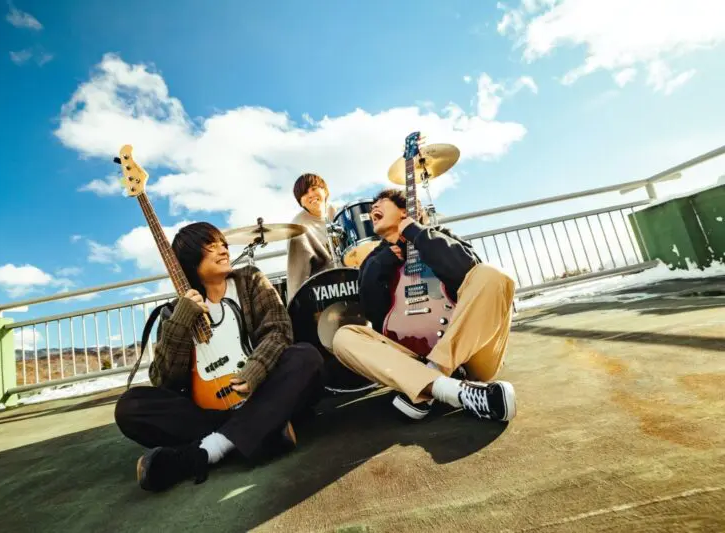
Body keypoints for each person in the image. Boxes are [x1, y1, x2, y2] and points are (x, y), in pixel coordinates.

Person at [115, 222, 324, 492]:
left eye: (223, 244)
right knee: (130, 407)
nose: (223, 250)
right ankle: (264, 430)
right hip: (213, 410)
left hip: (261, 391)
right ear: (190, 259)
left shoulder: (250, 280)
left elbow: (279, 331)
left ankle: (206, 451)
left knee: (306, 357)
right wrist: (180, 321)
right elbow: (164, 380)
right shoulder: (173, 312)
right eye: (211, 246)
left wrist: (254, 371)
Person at [332, 189, 517, 422]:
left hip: (471, 358)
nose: (373, 207)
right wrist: (382, 262)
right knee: (343, 337)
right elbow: (373, 313)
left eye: (382, 202)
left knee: (493, 275)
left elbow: (468, 271)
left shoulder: (437, 236)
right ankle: (451, 390)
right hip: (410, 358)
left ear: (405, 211)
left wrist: (416, 233)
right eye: (373, 205)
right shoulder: (375, 259)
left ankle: (432, 376)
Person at [286, 173, 337, 299]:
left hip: (354, 276)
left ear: (325, 191)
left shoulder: (340, 212)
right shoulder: (298, 228)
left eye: (314, 188)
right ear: (300, 202)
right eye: (304, 193)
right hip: (325, 290)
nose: (311, 195)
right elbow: (296, 278)